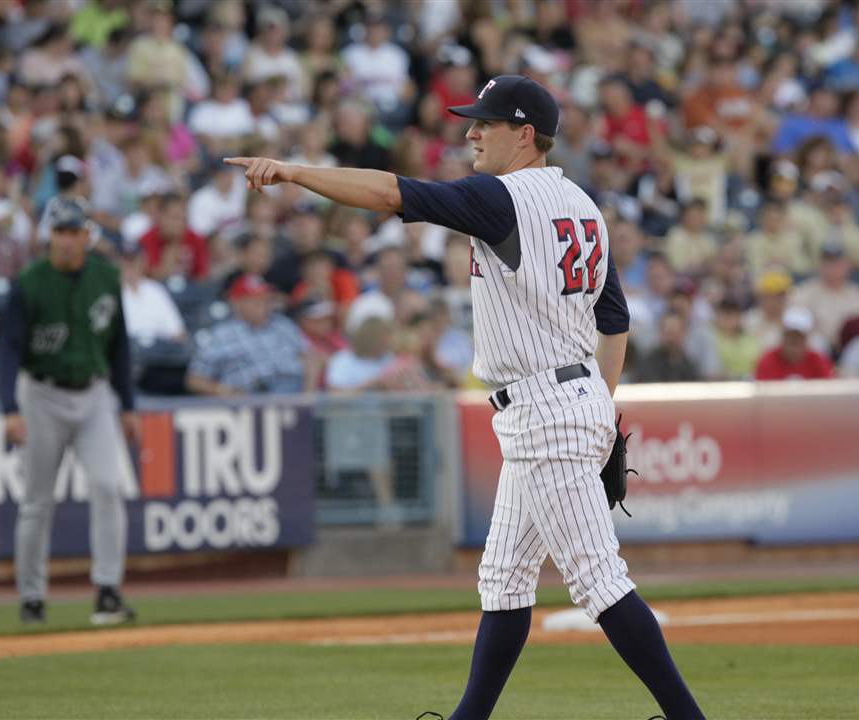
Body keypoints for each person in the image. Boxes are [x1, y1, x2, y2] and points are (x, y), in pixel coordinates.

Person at [226, 73, 705, 720]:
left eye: (485, 122)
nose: (471, 131)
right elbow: (613, 321)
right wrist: (596, 409)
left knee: (598, 581)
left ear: (524, 134)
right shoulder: (584, 206)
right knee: (504, 578)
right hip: (570, 398)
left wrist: (292, 172)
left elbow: (392, 191)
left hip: (546, 407)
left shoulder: (500, 196)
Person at [0, 198, 139, 625]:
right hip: (41, 393)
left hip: (94, 392)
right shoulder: (30, 281)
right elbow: (8, 350)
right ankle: (32, 598)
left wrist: (127, 404)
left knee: (109, 487)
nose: (68, 240)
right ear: (48, 236)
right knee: (38, 500)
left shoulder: (106, 277)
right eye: (61, 232)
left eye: (75, 232)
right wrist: (9, 408)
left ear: (86, 236)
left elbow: (120, 345)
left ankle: (108, 591)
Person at [185, 274, 310, 396]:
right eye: (255, 299)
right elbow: (194, 380)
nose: (263, 304)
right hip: (251, 399)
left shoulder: (283, 324)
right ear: (236, 303)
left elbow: (310, 358)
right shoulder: (221, 334)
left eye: (266, 299)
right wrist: (223, 391)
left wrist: (308, 395)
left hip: (295, 393)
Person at [754, 306, 835, 381]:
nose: (794, 344)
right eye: (791, 338)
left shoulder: (818, 361)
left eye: (799, 338)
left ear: (806, 339)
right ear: (783, 337)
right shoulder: (768, 360)